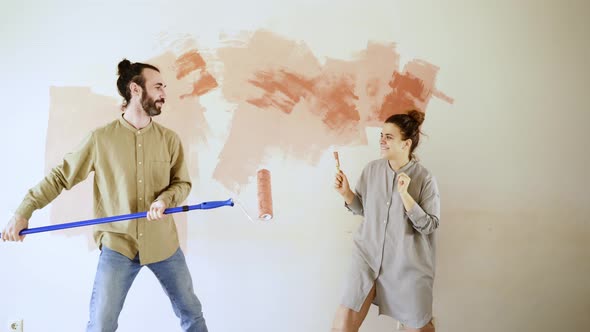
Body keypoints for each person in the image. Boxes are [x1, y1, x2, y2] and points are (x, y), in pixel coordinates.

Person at [1, 59, 208, 332]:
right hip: (118, 244)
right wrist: (22, 212)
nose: (163, 94)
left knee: (192, 314)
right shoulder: (100, 139)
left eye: (164, 87)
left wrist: (164, 200)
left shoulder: (170, 140)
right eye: (158, 86)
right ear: (135, 89)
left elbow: (182, 184)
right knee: (101, 324)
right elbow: (60, 177)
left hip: (163, 245)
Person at [332, 110, 440, 332]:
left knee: (420, 326)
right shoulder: (372, 170)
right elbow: (363, 208)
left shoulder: (425, 178)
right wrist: (346, 193)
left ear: (406, 143)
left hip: (407, 265)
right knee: (343, 323)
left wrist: (406, 196)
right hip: (367, 257)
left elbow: (429, 225)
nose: (381, 140)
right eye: (381, 135)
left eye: (388, 137)